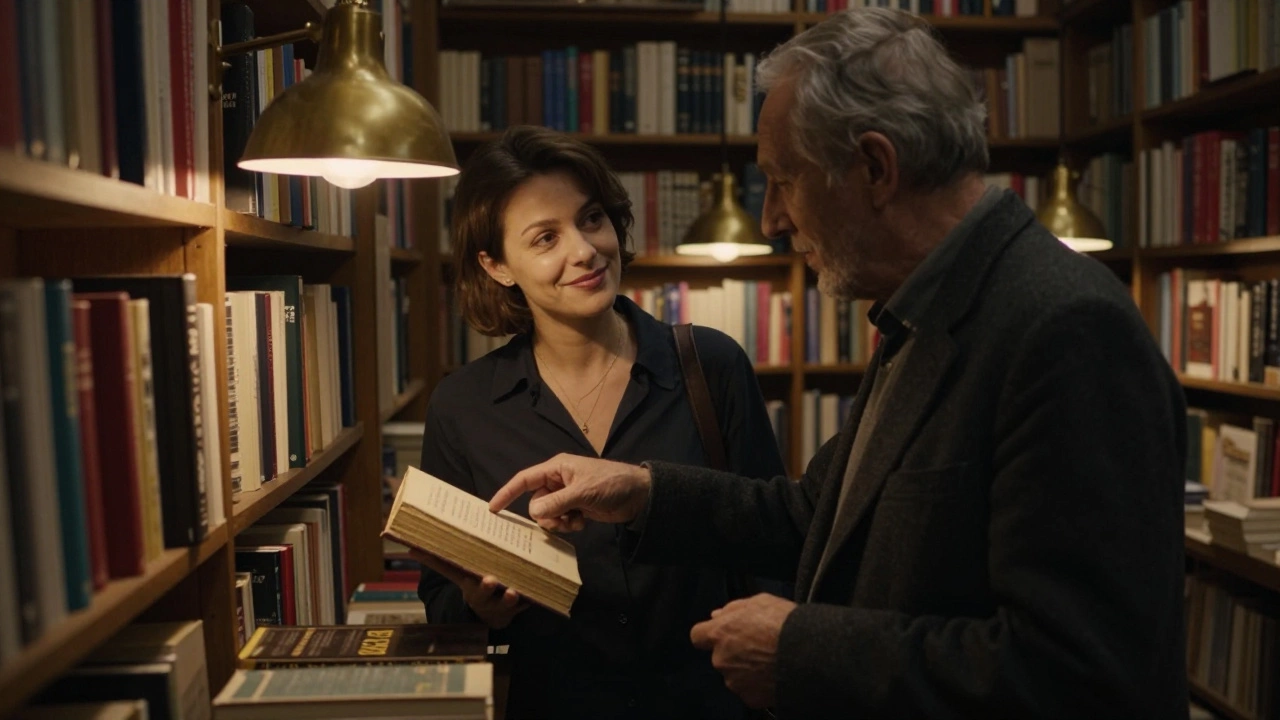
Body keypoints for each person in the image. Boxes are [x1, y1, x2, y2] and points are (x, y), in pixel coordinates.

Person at [488, 8, 1189, 719]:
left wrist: (800, 649)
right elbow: (814, 514)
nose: (771, 221)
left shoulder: (1064, 329)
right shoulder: (926, 311)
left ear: (875, 168)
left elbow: (1085, 674)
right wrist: (638, 491)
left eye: (783, 181)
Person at [415, 125, 788, 720]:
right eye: (545, 238)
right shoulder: (464, 407)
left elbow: (777, 540)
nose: (585, 250)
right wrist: (479, 607)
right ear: (496, 264)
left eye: (591, 219)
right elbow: (440, 598)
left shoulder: (710, 366)